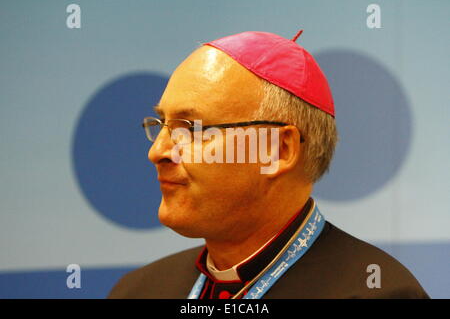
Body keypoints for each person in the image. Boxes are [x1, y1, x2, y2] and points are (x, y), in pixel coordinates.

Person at [108, 31, 429, 299]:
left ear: (279, 149)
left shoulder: (376, 292)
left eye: (191, 129)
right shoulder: (138, 291)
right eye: (161, 124)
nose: (159, 152)